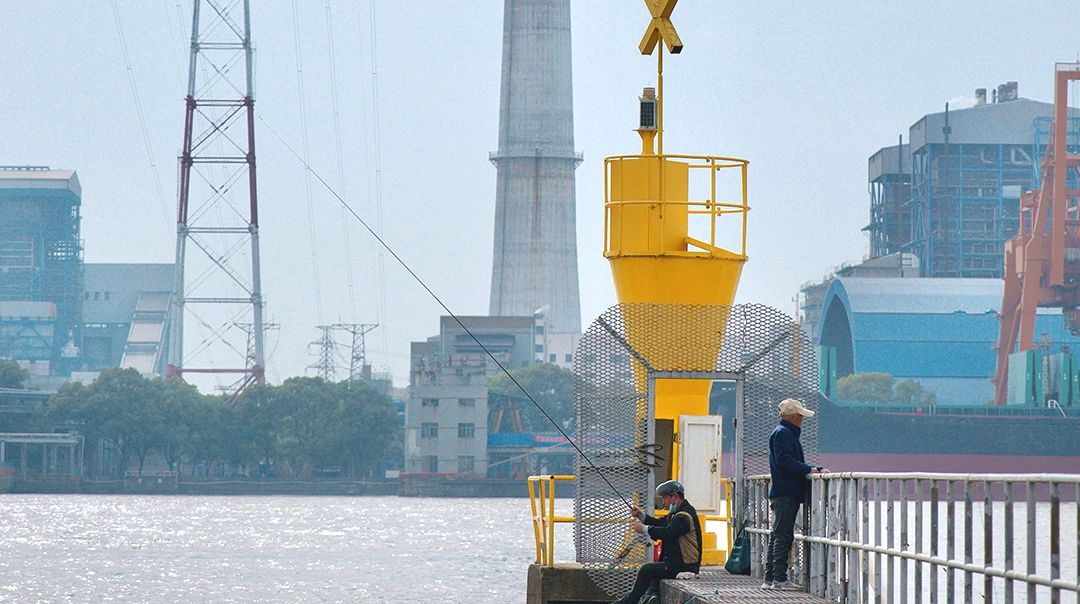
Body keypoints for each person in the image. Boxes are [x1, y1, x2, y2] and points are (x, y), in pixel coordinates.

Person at [762, 397, 827, 591]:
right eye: (800, 416)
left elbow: (785, 460)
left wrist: (811, 468)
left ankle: (770, 578)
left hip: (783, 491)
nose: (802, 420)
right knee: (783, 536)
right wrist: (810, 469)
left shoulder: (782, 432)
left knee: (777, 535)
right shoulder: (783, 434)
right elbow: (785, 461)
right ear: (793, 417)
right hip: (786, 493)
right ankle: (779, 579)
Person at [611, 479, 702, 604]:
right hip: (677, 562)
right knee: (655, 572)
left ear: (674, 496)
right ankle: (651, 596)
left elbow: (668, 532)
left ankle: (630, 600)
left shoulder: (684, 516)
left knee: (646, 570)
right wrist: (641, 516)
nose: (663, 503)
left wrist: (644, 529)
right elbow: (660, 523)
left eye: (665, 498)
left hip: (685, 566)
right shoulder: (676, 514)